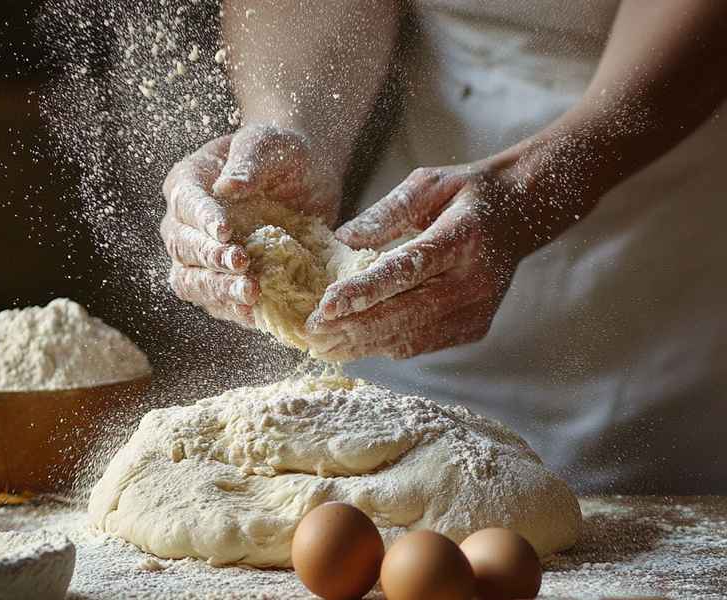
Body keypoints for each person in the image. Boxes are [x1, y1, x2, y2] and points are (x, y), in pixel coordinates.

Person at [161, 1, 727, 494]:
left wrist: (526, 192)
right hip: (422, 246)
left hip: (665, 274)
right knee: (400, 494)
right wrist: (296, 123)